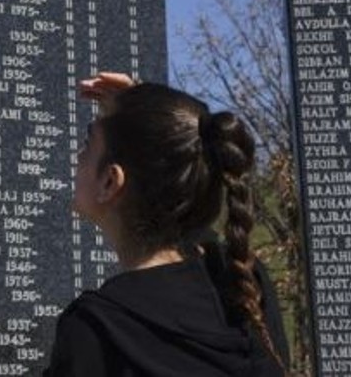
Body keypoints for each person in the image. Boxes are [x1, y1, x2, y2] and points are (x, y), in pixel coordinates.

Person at [44, 72, 288, 376]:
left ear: (110, 182)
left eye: (86, 144)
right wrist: (149, 115)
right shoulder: (244, 286)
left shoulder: (97, 328)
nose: (77, 157)